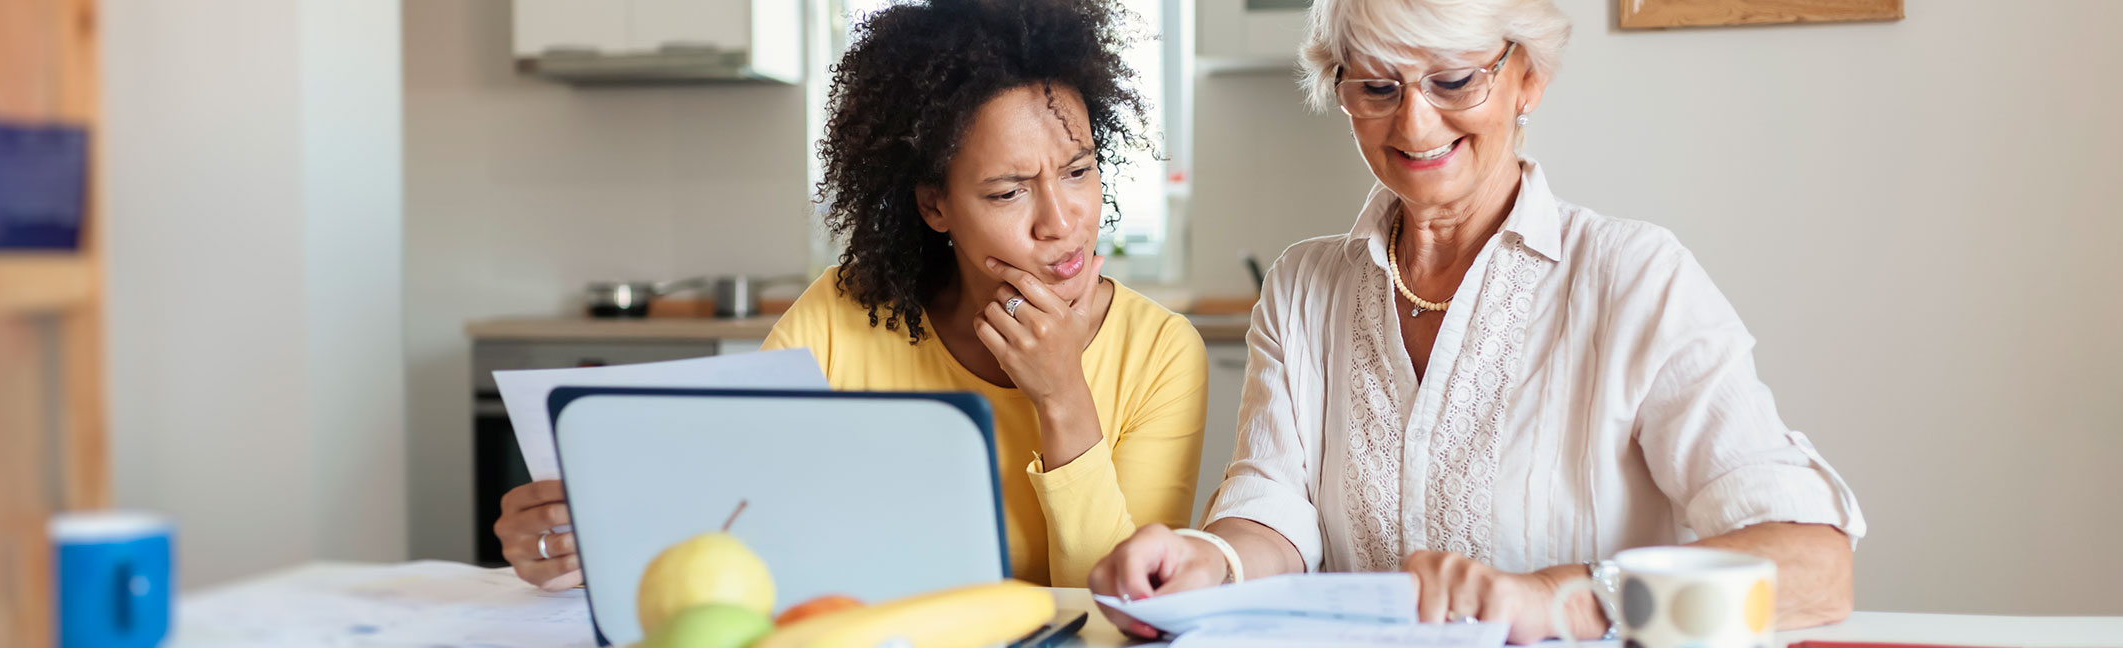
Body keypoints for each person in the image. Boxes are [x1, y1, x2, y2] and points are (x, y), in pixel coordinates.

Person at [1088, 0, 1865, 642]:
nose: (1415, 127)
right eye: (1377, 88)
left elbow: (1815, 565)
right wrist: (1206, 559)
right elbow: (1273, 516)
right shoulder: (1303, 288)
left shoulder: (1634, 278)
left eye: (1455, 81)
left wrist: (1558, 597)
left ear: (1527, 76)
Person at [497, 0, 1207, 591]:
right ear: (935, 206)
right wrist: (589, 540)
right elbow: (734, 516)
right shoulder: (841, 317)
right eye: (1008, 191)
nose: (1061, 221)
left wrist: (1061, 399)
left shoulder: (1162, 354)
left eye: (1079, 171)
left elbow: (1124, 609)